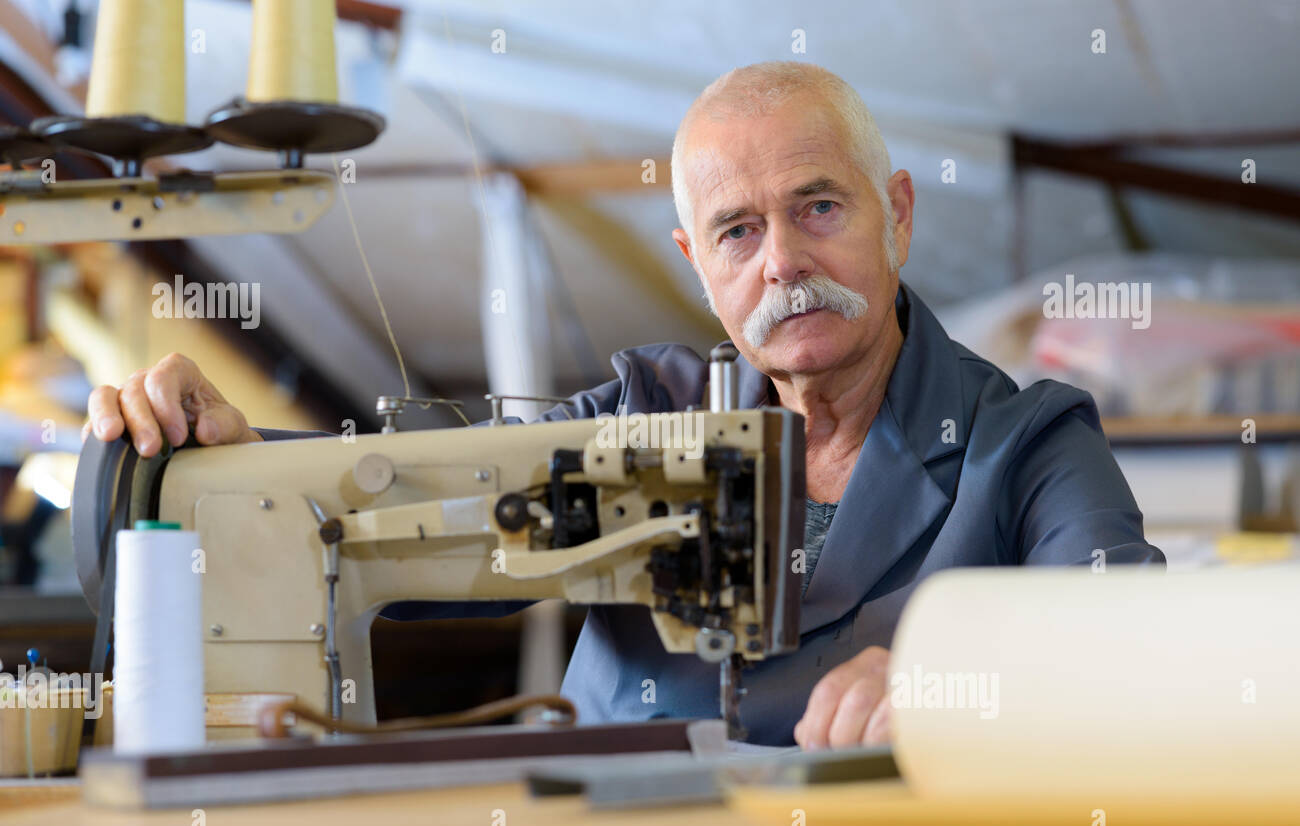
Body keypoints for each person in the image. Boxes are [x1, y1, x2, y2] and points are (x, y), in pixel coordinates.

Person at [83, 61, 1164, 748]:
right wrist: (237, 458)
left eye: (819, 206)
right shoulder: (644, 413)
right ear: (699, 265)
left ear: (896, 217)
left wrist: (957, 672)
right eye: (739, 231)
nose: (783, 262)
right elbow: (409, 517)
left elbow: (1137, 648)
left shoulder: (1028, 447)